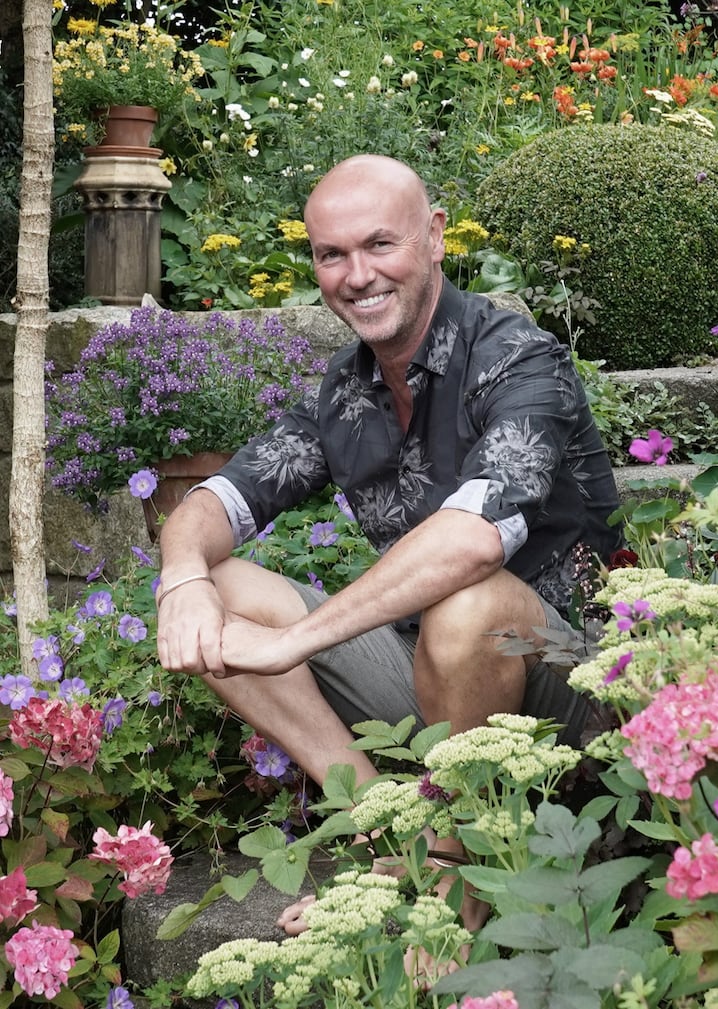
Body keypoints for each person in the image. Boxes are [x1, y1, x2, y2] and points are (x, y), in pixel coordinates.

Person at [156, 153, 621, 941]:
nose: (356, 274)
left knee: (467, 602)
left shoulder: (515, 357)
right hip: (439, 683)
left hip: (575, 682)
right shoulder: (347, 391)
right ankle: (390, 829)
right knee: (223, 591)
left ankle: (448, 879)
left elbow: (477, 538)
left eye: (380, 245)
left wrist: (294, 642)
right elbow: (216, 501)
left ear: (436, 237)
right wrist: (180, 576)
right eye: (331, 254)